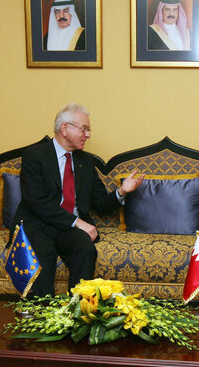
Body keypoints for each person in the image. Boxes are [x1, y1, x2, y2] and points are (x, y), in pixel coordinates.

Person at [12, 103, 143, 297]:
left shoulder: (86, 162)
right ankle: (42, 312)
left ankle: (78, 308)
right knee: (42, 257)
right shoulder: (35, 155)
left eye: (88, 130)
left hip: (68, 230)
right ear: (65, 128)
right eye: (84, 129)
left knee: (85, 248)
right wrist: (78, 222)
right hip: (39, 224)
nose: (87, 135)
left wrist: (122, 191)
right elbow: (36, 202)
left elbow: (100, 203)